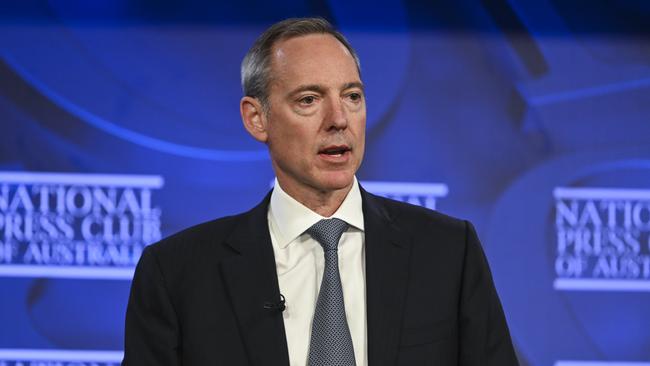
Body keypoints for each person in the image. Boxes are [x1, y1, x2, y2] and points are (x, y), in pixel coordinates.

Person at [122, 17, 519, 366]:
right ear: (257, 118)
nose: (339, 120)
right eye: (309, 100)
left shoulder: (448, 253)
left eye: (352, 96)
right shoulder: (178, 274)